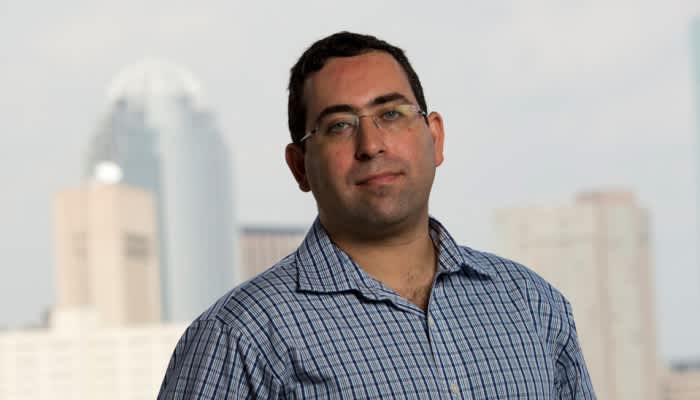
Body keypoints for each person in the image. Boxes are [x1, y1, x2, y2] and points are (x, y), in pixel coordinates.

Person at [158, 31, 596, 399]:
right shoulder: (240, 337)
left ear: (435, 138)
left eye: (391, 114)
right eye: (339, 125)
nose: (371, 145)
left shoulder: (532, 304)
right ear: (299, 166)